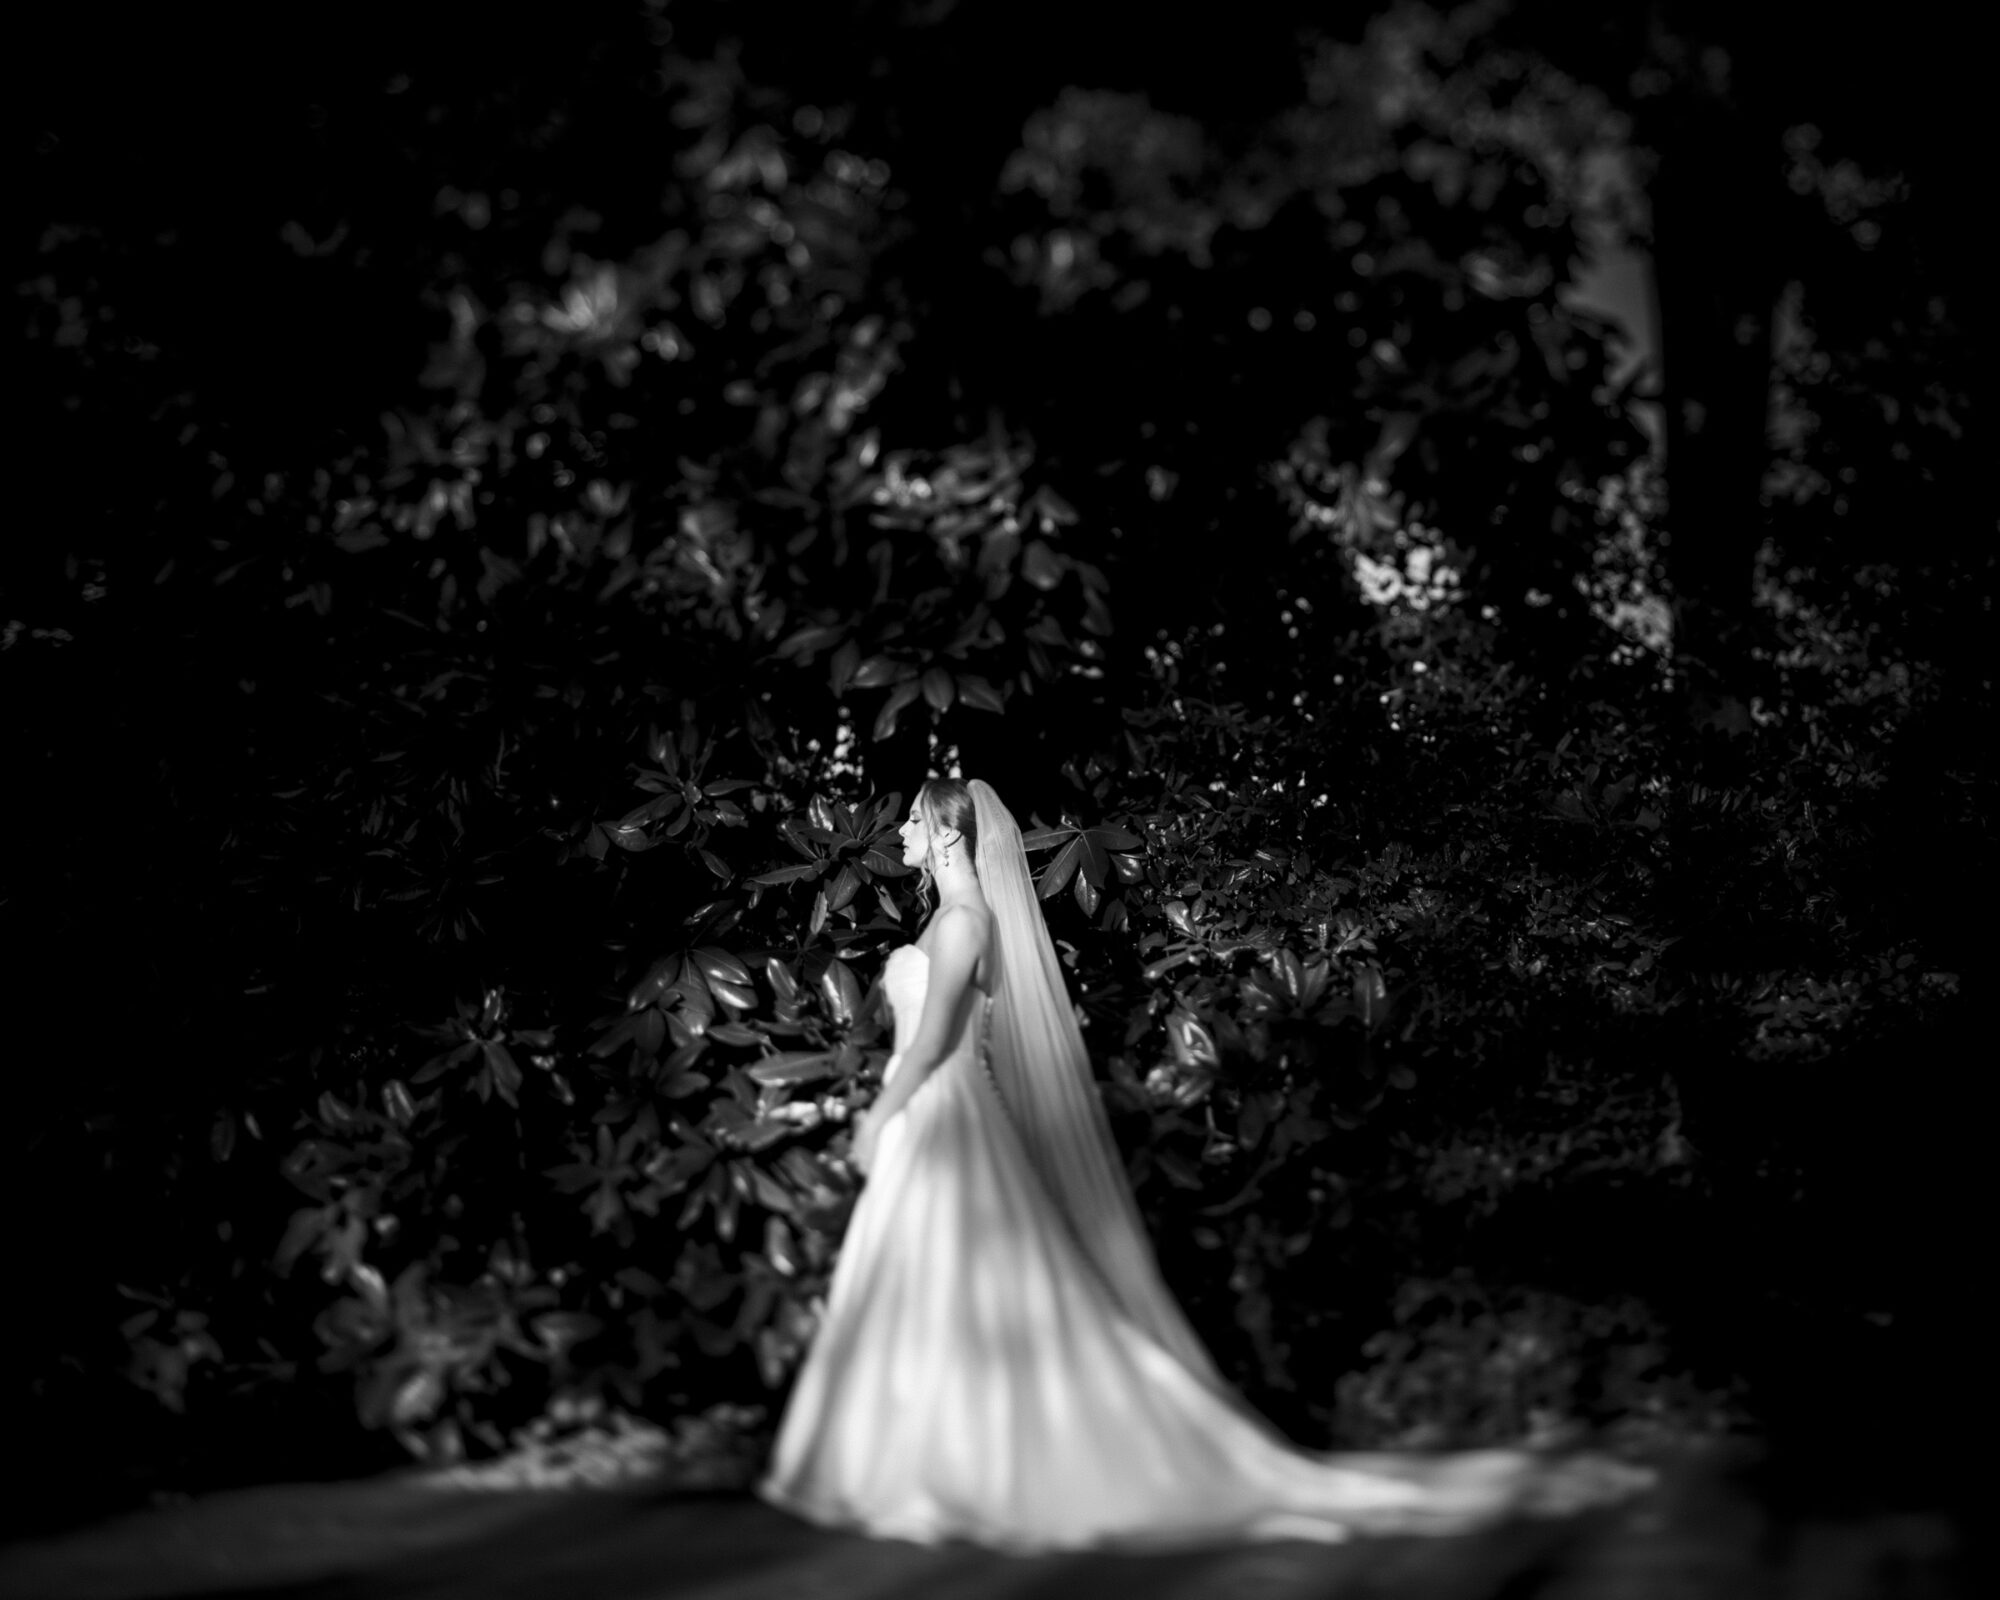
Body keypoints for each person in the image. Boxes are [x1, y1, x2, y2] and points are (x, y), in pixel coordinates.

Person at [757, 778, 1651, 1550]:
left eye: (915, 820)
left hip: (942, 1111)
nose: (903, 834)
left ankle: (957, 1466)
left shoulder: (960, 925)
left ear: (950, 831)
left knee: (953, 1279)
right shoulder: (963, 918)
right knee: (940, 1287)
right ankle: (935, 1459)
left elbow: (939, 1035)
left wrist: (881, 1109)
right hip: (949, 1116)